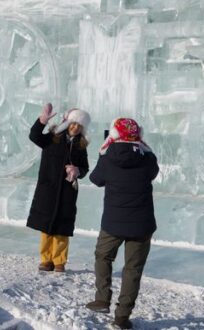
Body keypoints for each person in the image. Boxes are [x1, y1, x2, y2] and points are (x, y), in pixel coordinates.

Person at [85, 118, 159, 329]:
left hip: (113, 224)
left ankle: (102, 299)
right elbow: (154, 172)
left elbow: (95, 180)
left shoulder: (108, 158)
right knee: (132, 270)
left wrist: (102, 153)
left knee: (103, 256)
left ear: (114, 136)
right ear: (138, 137)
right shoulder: (147, 160)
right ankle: (122, 318)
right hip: (141, 225)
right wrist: (146, 147)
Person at [26, 103, 91, 272]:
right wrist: (41, 121)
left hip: (67, 192)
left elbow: (85, 168)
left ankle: (59, 261)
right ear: (67, 123)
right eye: (73, 124)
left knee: (62, 228)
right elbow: (34, 136)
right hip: (48, 189)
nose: (75, 128)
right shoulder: (52, 138)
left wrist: (77, 171)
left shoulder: (81, 146)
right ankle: (46, 259)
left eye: (79, 126)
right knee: (46, 227)